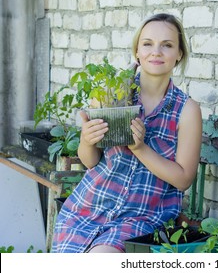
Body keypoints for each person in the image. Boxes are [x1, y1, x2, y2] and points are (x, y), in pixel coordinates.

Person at [51, 13, 202, 253]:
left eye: (167, 45)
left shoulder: (186, 110)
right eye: (148, 44)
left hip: (141, 218)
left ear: (179, 54)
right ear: (137, 52)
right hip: (89, 208)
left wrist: (140, 148)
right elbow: (90, 161)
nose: (156, 52)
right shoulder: (111, 93)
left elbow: (183, 179)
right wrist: (87, 140)